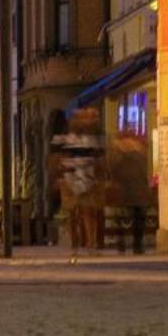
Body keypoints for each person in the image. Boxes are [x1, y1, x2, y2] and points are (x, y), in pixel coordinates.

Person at [52, 107, 106, 258]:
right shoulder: (66, 139)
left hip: (85, 178)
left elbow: (98, 157)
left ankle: (88, 243)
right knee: (75, 214)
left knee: (86, 212)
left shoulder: (90, 139)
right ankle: (78, 244)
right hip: (72, 179)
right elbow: (57, 158)